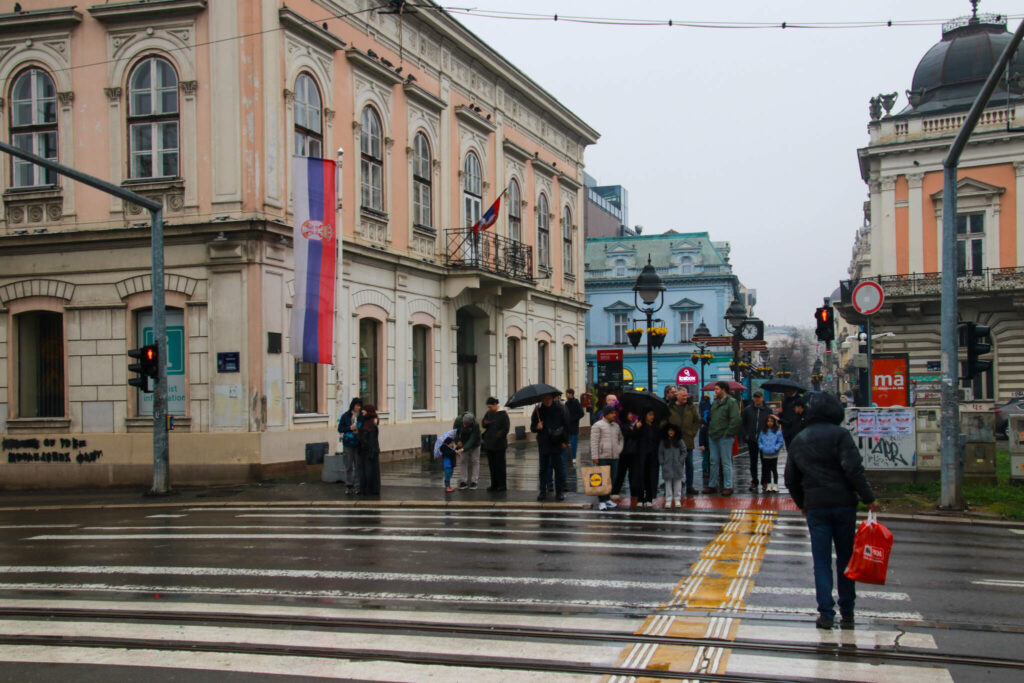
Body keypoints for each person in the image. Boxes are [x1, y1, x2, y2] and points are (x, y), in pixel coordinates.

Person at [785, 392, 878, 630]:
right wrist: (868, 498)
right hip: (844, 503)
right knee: (846, 557)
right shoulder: (841, 435)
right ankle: (848, 610)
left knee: (821, 560)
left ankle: (826, 613)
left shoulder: (800, 439)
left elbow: (790, 479)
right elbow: (854, 469)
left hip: (815, 505)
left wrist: (802, 503)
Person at [531, 393, 570, 501]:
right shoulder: (538, 410)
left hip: (557, 442)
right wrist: (537, 427)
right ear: (542, 399)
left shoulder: (560, 409)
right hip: (544, 444)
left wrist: (565, 441)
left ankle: (559, 492)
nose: (547, 400)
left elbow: (566, 425)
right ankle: (542, 491)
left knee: (559, 469)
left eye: (549, 398)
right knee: (543, 469)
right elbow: (532, 428)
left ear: (552, 398)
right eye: (545, 399)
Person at [705, 381, 740, 496]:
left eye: (717, 389)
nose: (715, 391)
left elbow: (735, 419)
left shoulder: (731, 402)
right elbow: (711, 417)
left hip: (724, 436)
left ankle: (728, 486)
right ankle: (712, 484)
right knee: (713, 461)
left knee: (726, 462)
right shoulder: (715, 402)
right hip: (713, 435)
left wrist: (728, 433)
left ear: (724, 390)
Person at [664, 387, 700, 495]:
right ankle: (672, 488)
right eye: (683, 396)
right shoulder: (669, 407)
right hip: (673, 441)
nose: (685, 397)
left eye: (686, 395)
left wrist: (692, 433)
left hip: (687, 440)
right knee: (674, 465)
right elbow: (664, 422)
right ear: (677, 396)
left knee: (689, 464)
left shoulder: (691, 407)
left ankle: (689, 486)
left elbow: (697, 421)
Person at [589, 406, 623, 510]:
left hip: (614, 456)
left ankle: (607, 498)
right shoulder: (598, 425)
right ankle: (602, 500)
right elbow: (594, 442)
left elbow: (620, 439)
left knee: (612, 479)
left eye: (614, 413)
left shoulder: (616, 426)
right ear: (606, 414)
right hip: (602, 456)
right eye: (612, 413)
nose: (614, 415)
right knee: (602, 479)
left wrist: (618, 450)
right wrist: (595, 456)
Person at [741, 391, 772, 492]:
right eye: (755, 397)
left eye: (759, 397)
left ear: (762, 398)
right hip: (752, 440)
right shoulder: (747, 410)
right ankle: (754, 480)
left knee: (765, 462)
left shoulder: (768, 410)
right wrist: (746, 435)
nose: (757, 399)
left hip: (764, 440)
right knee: (753, 462)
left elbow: (772, 424)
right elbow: (743, 423)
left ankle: (765, 481)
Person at [613, 410, 642, 506]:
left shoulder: (631, 425)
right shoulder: (622, 426)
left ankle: (634, 492)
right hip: (624, 453)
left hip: (633, 453)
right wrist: (635, 428)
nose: (631, 415)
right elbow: (628, 434)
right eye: (629, 413)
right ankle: (615, 491)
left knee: (633, 474)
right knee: (621, 474)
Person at [634, 409, 661, 508]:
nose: (652, 417)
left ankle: (649, 497)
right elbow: (633, 437)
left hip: (653, 455)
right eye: (650, 415)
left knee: (651, 477)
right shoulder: (641, 426)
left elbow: (658, 441)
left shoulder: (656, 427)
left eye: (653, 415)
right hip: (641, 455)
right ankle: (640, 497)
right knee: (640, 476)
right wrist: (636, 428)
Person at [481, 397, 510, 492]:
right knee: (492, 466)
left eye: (490, 407)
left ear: (495, 404)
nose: (489, 409)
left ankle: (502, 485)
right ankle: (494, 484)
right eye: (488, 407)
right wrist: (486, 423)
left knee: (500, 466)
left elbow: (506, 428)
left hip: (499, 444)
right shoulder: (489, 413)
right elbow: (484, 424)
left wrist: (500, 435)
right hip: (489, 444)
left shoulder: (503, 414)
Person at [338, 398, 362, 495]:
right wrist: (349, 428)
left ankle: (357, 486)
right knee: (348, 466)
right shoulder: (346, 416)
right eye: (357, 405)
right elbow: (340, 428)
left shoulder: (361, 416)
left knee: (358, 466)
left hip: (358, 444)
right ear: (353, 406)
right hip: (348, 443)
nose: (358, 407)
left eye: (360, 406)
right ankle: (349, 485)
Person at [659, 424, 685, 508]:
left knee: (678, 483)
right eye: (669, 430)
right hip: (667, 466)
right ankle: (668, 500)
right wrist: (662, 462)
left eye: (672, 430)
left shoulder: (679, 441)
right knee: (668, 483)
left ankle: (677, 499)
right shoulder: (663, 441)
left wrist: (680, 461)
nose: (670, 432)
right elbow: (660, 452)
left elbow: (684, 451)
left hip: (677, 466)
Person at [454, 412, 482, 490]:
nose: (465, 426)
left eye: (467, 425)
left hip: (475, 443)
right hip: (463, 441)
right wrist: (457, 441)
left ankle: (474, 481)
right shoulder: (458, 420)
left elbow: (472, 439)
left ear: (471, 423)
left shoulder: (476, 424)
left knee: (475, 461)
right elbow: (455, 433)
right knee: (463, 460)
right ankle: (463, 481)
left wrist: (462, 449)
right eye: (464, 424)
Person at [357, 404, 381, 495]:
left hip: (370, 451)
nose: (362, 412)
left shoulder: (371, 423)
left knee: (369, 471)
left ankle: (370, 489)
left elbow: (372, 439)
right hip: (365, 450)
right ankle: (366, 488)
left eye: (363, 410)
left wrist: (362, 439)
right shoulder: (365, 421)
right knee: (365, 470)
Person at [758, 415, 785, 493]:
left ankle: (775, 484)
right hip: (765, 453)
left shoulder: (777, 431)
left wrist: (776, 448)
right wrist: (762, 448)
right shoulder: (763, 431)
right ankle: (769, 484)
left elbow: (780, 441)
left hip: (774, 453)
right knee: (767, 470)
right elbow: (760, 441)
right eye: (768, 421)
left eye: (771, 421)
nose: (770, 423)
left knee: (774, 469)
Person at [564, 389, 585, 465]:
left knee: (573, 443)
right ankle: (568, 457)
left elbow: (581, 413)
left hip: (574, 426)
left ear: (572, 394)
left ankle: (573, 458)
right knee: (567, 443)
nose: (566, 395)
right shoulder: (566, 403)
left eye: (568, 394)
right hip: (567, 426)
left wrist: (573, 419)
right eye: (566, 394)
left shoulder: (576, 402)